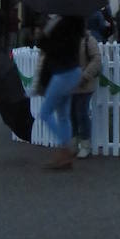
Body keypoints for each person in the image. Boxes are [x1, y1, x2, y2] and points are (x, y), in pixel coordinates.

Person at [33, 15, 84, 170]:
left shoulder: (60, 26)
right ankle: (65, 158)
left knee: (45, 113)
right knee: (63, 116)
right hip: (73, 71)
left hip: (62, 74)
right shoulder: (76, 24)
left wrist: (44, 33)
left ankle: (66, 148)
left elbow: (47, 47)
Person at [71, 25, 101, 159]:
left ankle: (85, 144)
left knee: (81, 114)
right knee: (70, 114)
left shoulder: (89, 40)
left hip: (84, 84)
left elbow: (96, 59)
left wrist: (85, 75)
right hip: (69, 83)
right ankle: (73, 143)